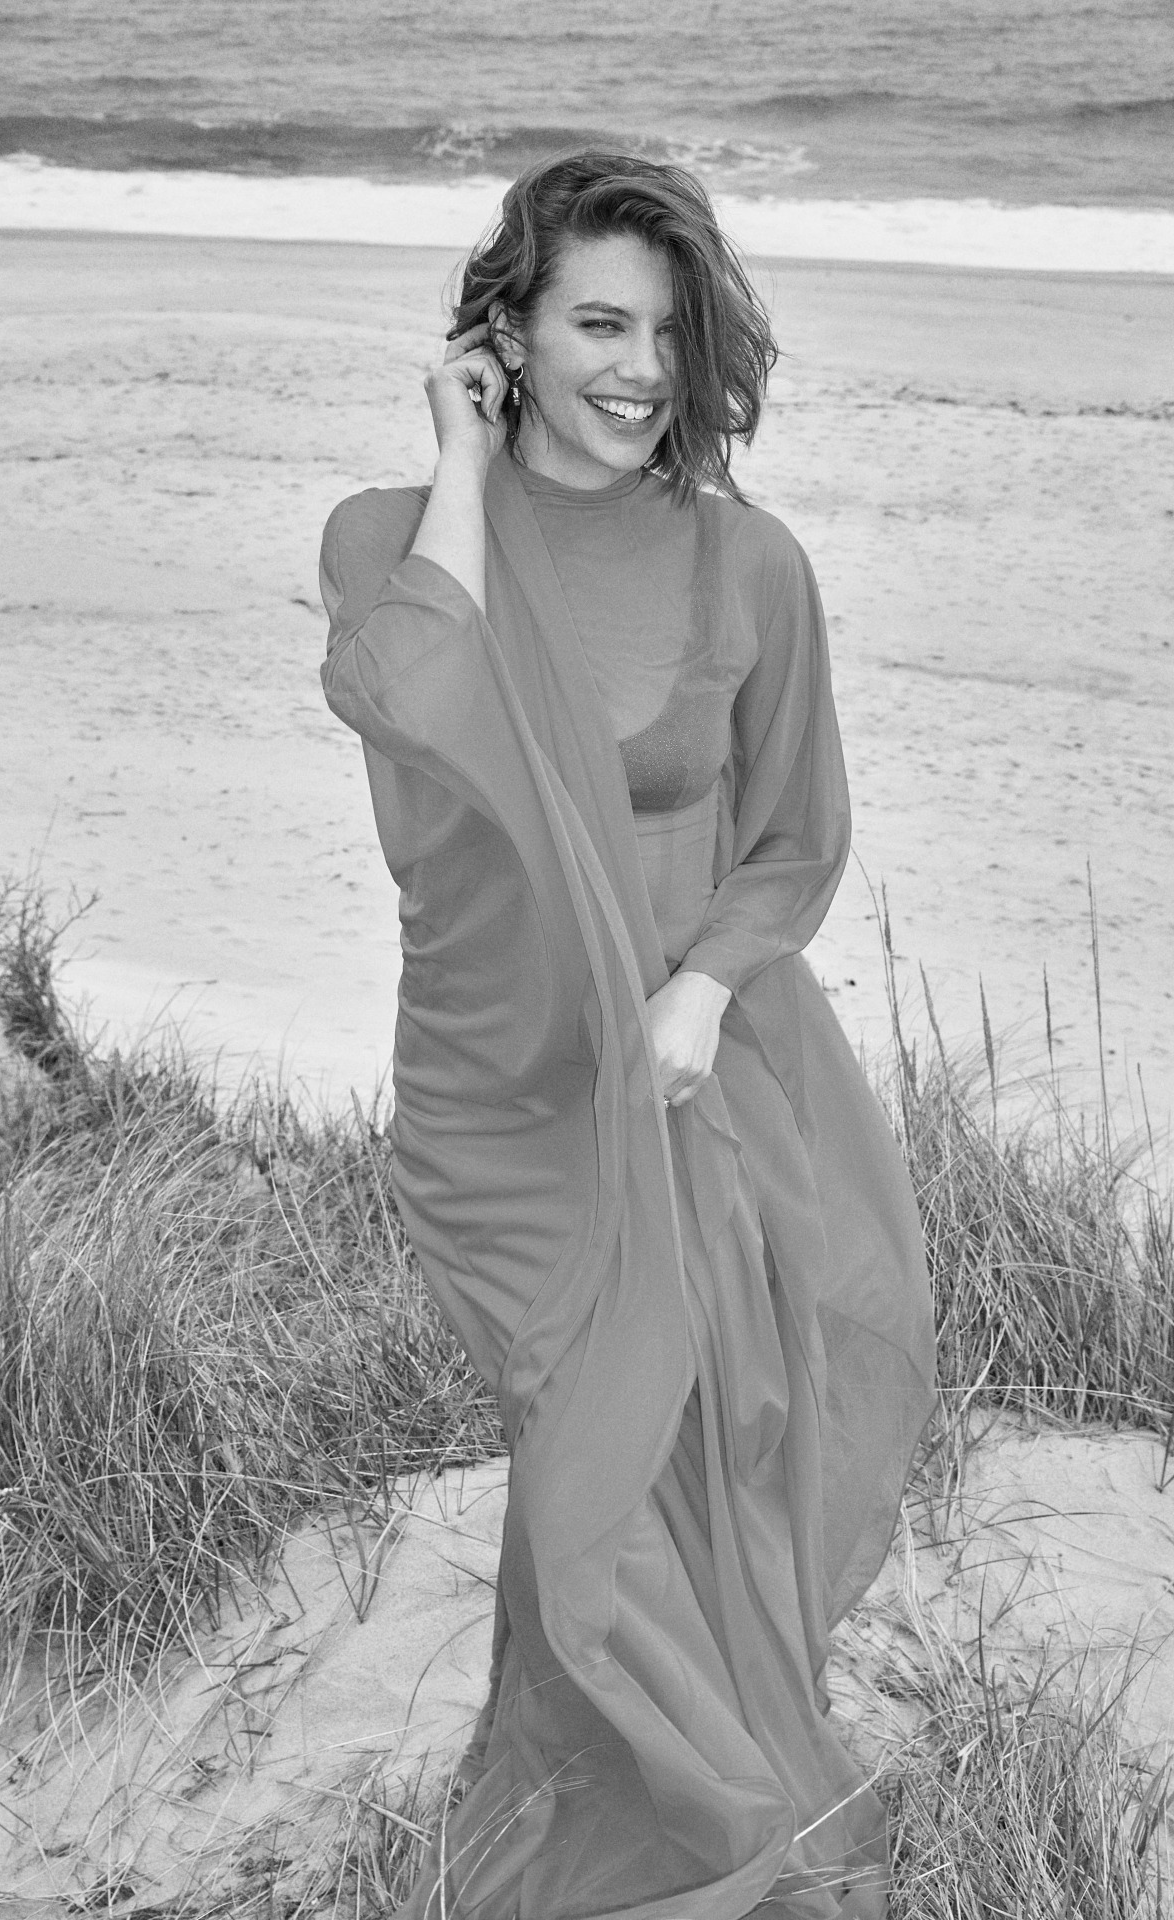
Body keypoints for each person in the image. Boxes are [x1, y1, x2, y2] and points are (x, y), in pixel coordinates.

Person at [319, 149, 936, 1920]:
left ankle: (665, 1806)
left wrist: (706, 983)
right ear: (506, 330)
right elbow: (403, 688)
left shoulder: (751, 563)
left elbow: (797, 837)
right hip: (498, 1096)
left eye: (670, 333)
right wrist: (462, 463)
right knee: (589, 1453)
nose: (643, 370)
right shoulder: (387, 535)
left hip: (694, 1073)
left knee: (700, 1448)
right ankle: (722, 1833)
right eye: (599, 324)